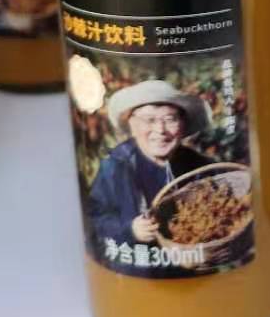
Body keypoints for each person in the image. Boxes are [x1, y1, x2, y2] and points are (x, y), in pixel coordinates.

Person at [86, 79, 214, 275]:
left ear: (183, 125)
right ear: (132, 125)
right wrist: (130, 230)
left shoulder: (200, 166)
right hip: (135, 273)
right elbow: (95, 217)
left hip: (194, 273)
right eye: (149, 120)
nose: (160, 130)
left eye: (170, 119)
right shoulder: (115, 167)